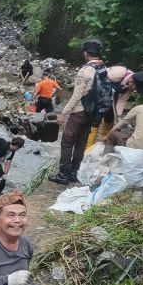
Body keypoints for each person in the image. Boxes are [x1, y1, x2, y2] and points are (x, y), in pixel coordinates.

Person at [49, 38, 106, 185]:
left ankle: (63, 175)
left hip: (79, 111)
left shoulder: (85, 71)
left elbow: (77, 95)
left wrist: (63, 112)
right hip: (92, 113)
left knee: (67, 141)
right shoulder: (102, 68)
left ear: (86, 53)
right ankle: (74, 173)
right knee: (81, 143)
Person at [101, 67, 143, 136]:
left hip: (112, 93)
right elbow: (100, 78)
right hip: (100, 89)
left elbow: (121, 102)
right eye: (135, 88)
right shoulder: (119, 73)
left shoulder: (128, 89)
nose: (134, 90)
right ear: (131, 82)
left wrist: (118, 119)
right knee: (97, 115)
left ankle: (105, 135)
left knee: (110, 113)